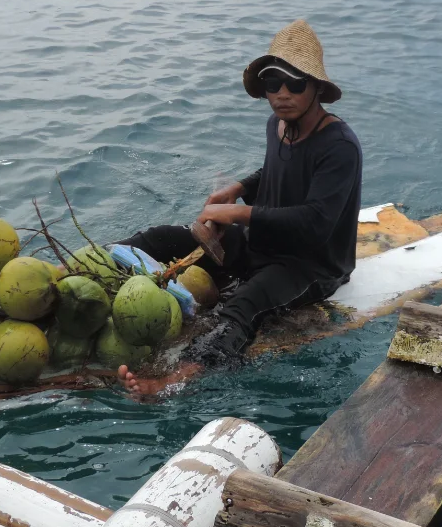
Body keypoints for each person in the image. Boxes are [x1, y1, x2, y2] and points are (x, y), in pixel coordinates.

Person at [117, 20, 363, 396]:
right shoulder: (277, 125)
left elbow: (316, 222)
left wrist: (238, 214)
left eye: (295, 83)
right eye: (272, 83)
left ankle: (173, 381)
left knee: (240, 308)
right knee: (163, 238)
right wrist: (239, 188)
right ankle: (83, 269)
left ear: (316, 87)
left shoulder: (340, 145)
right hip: (260, 243)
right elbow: (276, 170)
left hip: (310, 265)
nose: (282, 93)